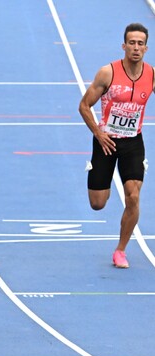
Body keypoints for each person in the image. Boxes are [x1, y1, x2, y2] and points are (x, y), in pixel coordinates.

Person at [79, 22, 153, 269]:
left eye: (140, 43)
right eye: (131, 43)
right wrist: (98, 134)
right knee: (98, 203)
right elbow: (84, 105)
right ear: (124, 45)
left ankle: (120, 250)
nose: (135, 47)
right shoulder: (108, 73)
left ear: (146, 47)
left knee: (133, 195)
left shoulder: (151, 75)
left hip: (133, 141)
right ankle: (100, 175)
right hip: (106, 141)